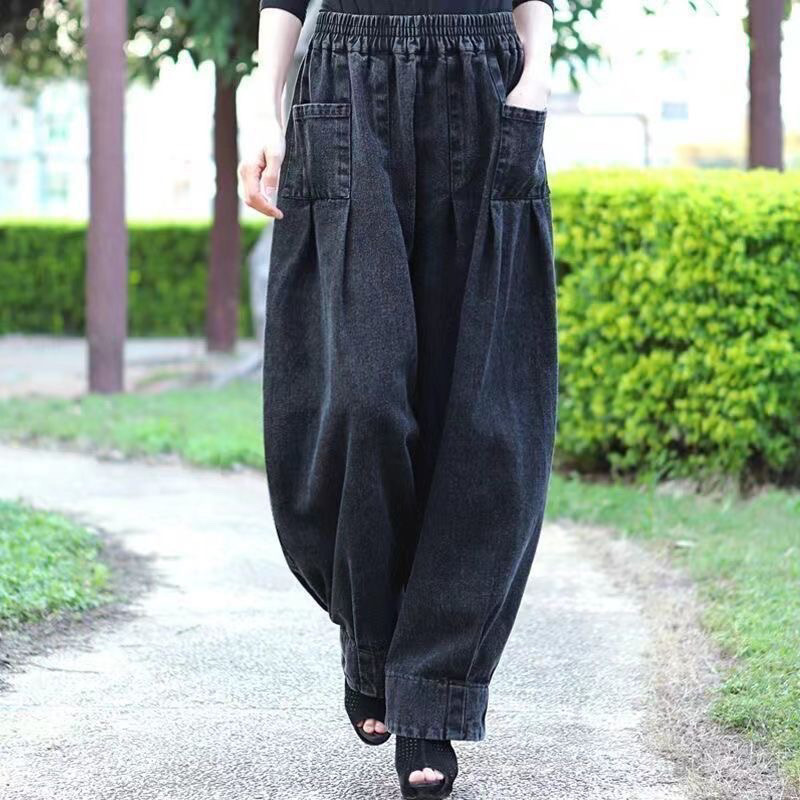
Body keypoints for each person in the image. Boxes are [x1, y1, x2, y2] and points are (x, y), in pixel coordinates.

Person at [239, 1, 556, 797]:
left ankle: (432, 694)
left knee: (480, 419)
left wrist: (538, 72)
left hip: (483, 80)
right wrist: (263, 103)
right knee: (361, 397)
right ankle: (373, 641)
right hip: (345, 82)